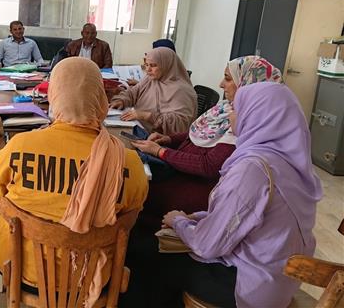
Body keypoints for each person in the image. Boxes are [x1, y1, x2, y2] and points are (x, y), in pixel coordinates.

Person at [130, 82, 323, 308]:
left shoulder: (253, 169)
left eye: (238, 109)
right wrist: (197, 217)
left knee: (142, 253)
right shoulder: (290, 163)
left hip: (249, 284)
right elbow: (250, 218)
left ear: (256, 116)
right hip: (278, 280)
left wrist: (180, 222)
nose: (231, 115)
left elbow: (208, 245)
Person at [0, 57, 148, 304]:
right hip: (92, 280)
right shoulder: (129, 162)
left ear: (54, 95)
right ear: (100, 97)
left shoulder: (17, 148)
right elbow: (131, 217)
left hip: (25, 273)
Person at [129, 55, 283, 232]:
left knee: (140, 190)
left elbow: (208, 165)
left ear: (249, 84)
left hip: (199, 186)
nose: (221, 84)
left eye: (228, 78)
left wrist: (161, 152)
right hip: (180, 170)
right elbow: (199, 131)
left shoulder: (246, 120)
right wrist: (170, 139)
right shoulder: (226, 107)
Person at [110, 47, 196, 134]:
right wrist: (121, 100)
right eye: (146, 65)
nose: (148, 70)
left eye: (153, 65)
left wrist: (147, 116)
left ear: (166, 66)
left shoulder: (182, 91)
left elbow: (181, 124)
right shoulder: (151, 79)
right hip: (139, 127)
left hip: (160, 138)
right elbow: (133, 93)